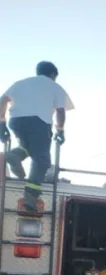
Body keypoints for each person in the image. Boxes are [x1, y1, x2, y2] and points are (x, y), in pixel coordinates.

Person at [0, 61, 73, 213]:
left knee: (28, 147)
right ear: (53, 75)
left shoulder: (19, 84)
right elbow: (60, 111)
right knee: (42, 160)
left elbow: (3, 100)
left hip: (16, 122)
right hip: (39, 122)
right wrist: (60, 130)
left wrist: (2, 123)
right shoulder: (55, 87)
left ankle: (14, 155)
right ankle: (30, 200)